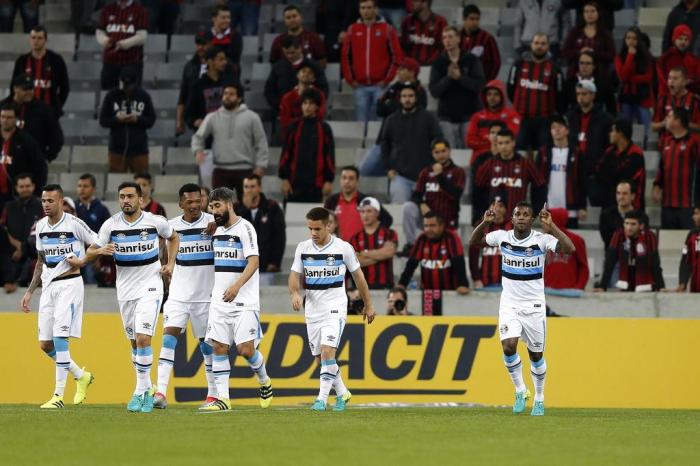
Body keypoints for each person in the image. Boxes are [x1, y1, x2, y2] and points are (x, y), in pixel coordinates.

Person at [78, 181, 179, 413]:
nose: (126, 200)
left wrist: (170, 263)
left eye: (130, 196)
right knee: (134, 343)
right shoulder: (110, 225)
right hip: (124, 291)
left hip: (151, 288)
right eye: (122, 196)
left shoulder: (155, 221)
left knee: (144, 339)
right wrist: (100, 251)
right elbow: (90, 252)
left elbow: (173, 238)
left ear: (140, 200)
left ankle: (139, 391)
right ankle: (146, 388)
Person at [469, 201, 575, 416]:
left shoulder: (541, 240)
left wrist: (551, 226)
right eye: (518, 214)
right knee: (508, 347)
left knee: (535, 356)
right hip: (509, 305)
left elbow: (569, 249)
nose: (521, 217)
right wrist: (485, 222)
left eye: (526, 214)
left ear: (532, 218)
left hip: (534, 307)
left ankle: (539, 398)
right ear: (512, 217)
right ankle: (520, 390)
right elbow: (474, 242)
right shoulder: (502, 237)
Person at [288, 207, 376, 411]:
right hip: (312, 310)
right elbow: (294, 275)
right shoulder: (303, 248)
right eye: (310, 228)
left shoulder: (343, 248)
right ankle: (343, 393)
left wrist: (368, 304)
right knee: (321, 359)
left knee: (328, 352)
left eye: (317, 228)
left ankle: (321, 399)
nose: (313, 233)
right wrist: (294, 293)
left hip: (335, 308)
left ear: (329, 225)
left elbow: (359, 277)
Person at [195, 187, 273, 411]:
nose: (214, 211)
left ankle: (264, 380)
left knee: (245, 350)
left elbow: (254, 261)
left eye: (217, 206)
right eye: (211, 207)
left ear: (229, 204)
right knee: (219, 347)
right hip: (219, 301)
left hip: (244, 301)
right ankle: (223, 400)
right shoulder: (216, 230)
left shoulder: (245, 228)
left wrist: (237, 286)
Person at [19, 184, 96, 409]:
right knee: (45, 344)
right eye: (43, 201)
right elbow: (41, 261)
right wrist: (30, 291)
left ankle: (58, 396)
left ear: (61, 202)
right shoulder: (41, 226)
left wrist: (82, 261)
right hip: (48, 288)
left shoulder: (74, 224)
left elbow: (97, 244)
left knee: (61, 338)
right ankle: (81, 375)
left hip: (70, 285)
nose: (46, 204)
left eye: (50, 201)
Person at [153, 184, 216, 409]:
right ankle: (160, 392)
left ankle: (213, 394)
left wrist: (220, 224)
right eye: (189, 202)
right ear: (180, 204)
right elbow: (162, 255)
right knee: (168, 339)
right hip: (179, 295)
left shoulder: (213, 223)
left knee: (207, 346)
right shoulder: (172, 228)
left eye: (198, 201)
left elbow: (234, 227)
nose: (194, 206)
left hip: (205, 297)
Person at [192, 82, 269, 201]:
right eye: (225, 93)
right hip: (220, 170)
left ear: (239, 98)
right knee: (220, 209)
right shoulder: (213, 117)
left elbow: (261, 142)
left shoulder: (252, 117)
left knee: (247, 207)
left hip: (245, 170)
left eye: (231, 94)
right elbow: (198, 137)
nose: (227, 96)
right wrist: (198, 151)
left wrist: (261, 165)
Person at [341, 0, 403, 123]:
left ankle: (379, 143)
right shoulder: (352, 29)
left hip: (381, 85)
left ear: (376, 9)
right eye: (363, 8)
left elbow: (397, 57)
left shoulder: (387, 29)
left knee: (380, 122)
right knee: (360, 122)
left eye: (369, 7)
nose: (366, 11)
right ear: (359, 10)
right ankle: (362, 143)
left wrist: (387, 79)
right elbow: (345, 56)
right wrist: (350, 79)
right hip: (359, 85)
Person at [381, 83, 442, 204]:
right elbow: (384, 145)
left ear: (416, 98)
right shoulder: (391, 120)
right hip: (399, 177)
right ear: (400, 98)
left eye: (410, 96)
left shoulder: (428, 118)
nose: (407, 99)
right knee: (399, 216)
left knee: (428, 217)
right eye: (404, 96)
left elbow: (438, 141)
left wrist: (436, 163)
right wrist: (387, 168)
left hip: (426, 176)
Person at [428, 25, 485, 149]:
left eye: (450, 37)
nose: (447, 40)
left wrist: (460, 78)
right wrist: (448, 78)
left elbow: (479, 85)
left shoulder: (471, 60)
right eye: (444, 38)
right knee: (451, 154)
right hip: (446, 117)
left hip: (469, 115)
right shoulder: (438, 63)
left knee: (469, 153)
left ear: (458, 39)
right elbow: (434, 91)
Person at [403, 138, 466, 248]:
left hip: (447, 219)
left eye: (443, 151)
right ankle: (411, 245)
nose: (441, 155)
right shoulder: (426, 172)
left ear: (449, 151)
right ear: (432, 154)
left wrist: (440, 176)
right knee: (408, 207)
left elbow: (456, 195)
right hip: (428, 218)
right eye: (437, 152)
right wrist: (421, 204)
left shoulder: (458, 171)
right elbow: (416, 195)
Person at [508, 34, 565, 153]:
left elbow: (560, 95)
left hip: (544, 121)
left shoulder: (555, 69)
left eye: (543, 44)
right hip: (522, 119)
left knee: (543, 154)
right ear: (531, 45)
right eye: (537, 43)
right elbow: (510, 90)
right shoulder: (518, 65)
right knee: (519, 153)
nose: (539, 46)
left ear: (548, 46)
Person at [475, 128, 546, 220]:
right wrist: (482, 211)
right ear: (496, 144)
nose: (504, 146)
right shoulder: (489, 164)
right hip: (494, 220)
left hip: (518, 220)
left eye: (507, 142)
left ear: (513, 143)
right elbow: (478, 188)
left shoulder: (525, 164)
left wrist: (535, 210)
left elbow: (540, 186)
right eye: (500, 143)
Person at [279, 89, 335, 204]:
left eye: (311, 103)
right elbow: (285, 154)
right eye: (305, 103)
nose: (307, 107)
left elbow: (329, 156)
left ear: (317, 107)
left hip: (316, 185)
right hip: (293, 184)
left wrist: (329, 181)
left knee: (314, 220)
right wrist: (284, 179)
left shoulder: (324, 128)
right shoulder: (293, 127)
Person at [98, 67, 156, 174]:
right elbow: (103, 120)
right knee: (116, 183)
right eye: (124, 85)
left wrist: (137, 119)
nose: (127, 88)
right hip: (117, 149)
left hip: (139, 149)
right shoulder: (111, 96)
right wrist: (117, 120)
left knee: (141, 181)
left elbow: (151, 120)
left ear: (136, 82)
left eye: (130, 86)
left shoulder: (144, 96)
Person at [534, 115, 587, 228]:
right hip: (548, 208)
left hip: (571, 209)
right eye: (553, 127)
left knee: (570, 243)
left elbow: (582, 182)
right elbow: (537, 182)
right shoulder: (543, 153)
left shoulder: (577, 153)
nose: (556, 129)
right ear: (550, 131)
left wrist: (583, 206)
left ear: (567, 130)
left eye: (560, 126)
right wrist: (537, 207)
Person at [398, 211, 470, 294]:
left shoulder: (451, 238)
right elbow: (411, 263)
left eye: (432, 225)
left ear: (441, 226)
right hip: (427, 293)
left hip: (450, 293)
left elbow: (459, 263)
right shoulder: (422, 239)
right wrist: (402, 284)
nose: (428, 229)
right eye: (426, 226)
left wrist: (462, 284)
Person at [652, 107, 700, 229]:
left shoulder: (695, 142)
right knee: (669, 242)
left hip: (689, 204)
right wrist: (657, 185)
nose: (666, 120)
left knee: (692, 241)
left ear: (678, 121)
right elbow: (662, 168)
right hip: (667, 205)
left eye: (669, 117)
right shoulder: (666, 142)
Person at [234, 175, 286, 283]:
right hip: (240, 266)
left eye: (252, 186)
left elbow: (279, 237)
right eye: (246, 187)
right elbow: (233, 231)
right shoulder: (236, 208)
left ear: (259, 188)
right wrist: (245, 209)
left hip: (265, 265)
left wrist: (274, 262)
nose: (249, 190)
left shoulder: (272, 207)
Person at [597, 210, 665, 292]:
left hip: (646, 282)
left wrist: (661, 287)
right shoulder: (618, 235)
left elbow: (655, 264)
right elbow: (610, 262)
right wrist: (602, 286)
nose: (629, 227)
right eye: (626, 223)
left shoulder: (650, 237)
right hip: (626, 279)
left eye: (633, 224)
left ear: (641, 226)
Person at [12, 25, 70, 117]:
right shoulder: (22, 61)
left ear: (45, 40)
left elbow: (65, 88)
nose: (36, 41)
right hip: (26, 112)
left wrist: (56, 109)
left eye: (39, 38)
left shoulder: (56, 60)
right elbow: (14, 87)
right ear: (29, 40)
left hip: (48, 112)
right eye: (33, 38)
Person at [3, 73, 64, 162]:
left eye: (31, 88)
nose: (29, 92)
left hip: (33, 161)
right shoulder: (3, 107)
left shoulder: (43, 109)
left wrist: (47, 156)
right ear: (15, 88)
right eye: (25, 89)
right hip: (7, 160)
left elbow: (57, 137)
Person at [324, 166, 393, 242]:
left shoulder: (366, 200)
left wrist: (374, 235)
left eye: (351, 178)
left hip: (360, 249)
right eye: (344, 178)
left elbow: (387, 219)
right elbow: (323, 224)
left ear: (357, 181)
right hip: (338, 248)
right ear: (340, 180)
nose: (347, 181)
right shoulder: (331, 201)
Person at [265, 36, 328, 116]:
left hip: (309, 113)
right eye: (286, 53)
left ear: (300, 48)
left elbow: (323, 89)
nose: (289, 56)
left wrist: (314, 105)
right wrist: (279, 105)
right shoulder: (278, 67)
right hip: (284, 111)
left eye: (292, 52)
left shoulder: (313, 66)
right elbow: (269, 89)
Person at [566, 80, 614, 183]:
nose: (580, 97)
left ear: (593, 95)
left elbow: (609, 146)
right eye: (578, 94)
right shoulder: (570, 117)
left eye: (584, 94)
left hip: (596, 173)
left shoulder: (605, 119)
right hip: (573, 171)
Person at [0, 174, 42, 291]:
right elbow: (3, 229)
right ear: (17, 188)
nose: (25, 189)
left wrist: (23, 248)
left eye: (28, 186)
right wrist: (18, 247)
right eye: (22, 186)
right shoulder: (9, 207)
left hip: (34, 254)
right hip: (12, 255)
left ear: (33, 186)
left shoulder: (42, 206)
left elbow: (45, 230)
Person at [95, 0, 148, 90]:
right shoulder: (107, 10)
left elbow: (142, 37)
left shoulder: (140, 11)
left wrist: (124, 44)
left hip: (131, 62)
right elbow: (99, 32)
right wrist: (105, 41)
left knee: (130, 96)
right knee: (109, 95)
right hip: (110, 62)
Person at [594, 118, 645, 210]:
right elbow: (599, 171)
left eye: (613, 131)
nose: (610, 134)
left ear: (620, 133)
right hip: (609, 205)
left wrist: (611, 173)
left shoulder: (636, 154)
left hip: (631, 208)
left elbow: (625, 179)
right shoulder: (609, 152)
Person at [615, 27, 654, 145]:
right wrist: (630, 56)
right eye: (628, 38)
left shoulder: (647, 56)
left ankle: (647, 147)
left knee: (647, 127)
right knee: (625, 128)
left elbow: (648, 77)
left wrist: (631, 79)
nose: (631, 41)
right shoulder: (619, 57)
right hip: (626, 96)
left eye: (634, 38)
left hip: (643, 96)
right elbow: (623, 76)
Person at [349, 197, 398, 290]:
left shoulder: (390, 233)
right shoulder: (355, 238)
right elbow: (356, 262)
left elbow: (388, 253)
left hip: (385, 287)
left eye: (369, 211)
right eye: (362, 212)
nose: (365, 215)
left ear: (377, 213)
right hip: (362, 289)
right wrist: (380, 255)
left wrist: (365, 253)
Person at [0, 102, 47, 194]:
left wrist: (35, 191)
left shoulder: (27, 141)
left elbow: (40, 167)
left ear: (16, 119)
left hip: (18, 195)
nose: (5, 120)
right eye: (2, 116)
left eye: (9, 117)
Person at [465, 79, 521, 155]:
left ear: (502, 96)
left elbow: (509, 140)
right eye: (489, 94)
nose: (492, 97)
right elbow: (469, 142)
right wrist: (494, 143)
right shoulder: (476, 117)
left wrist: (482, 142)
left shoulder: (512, 115)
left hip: (502, 159)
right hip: (479, 159)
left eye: (496, 94)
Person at [561, 1, 616, 77]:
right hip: (576, 74)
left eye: (592, 11)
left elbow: (612, 55)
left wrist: (594, 53)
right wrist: (579, 52)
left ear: (598, 13)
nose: (589, 14)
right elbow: (565, 52)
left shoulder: (605, 34)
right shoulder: (575, 32)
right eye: (586, 11)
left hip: (600, 74)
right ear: (583, 14)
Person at [543, 207, 589, 296]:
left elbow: (583, 267)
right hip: (546, 292)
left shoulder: (577, 240)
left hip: (570, 293)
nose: (542, 223)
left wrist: (578, 288)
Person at [468, 193, 509, 290]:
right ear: (489, 207)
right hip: (485, 283)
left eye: (501, 206)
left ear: (506, 209)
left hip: (510, 284)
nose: (497, 209)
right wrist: (476, 279)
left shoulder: (512, 227)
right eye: (494, 205)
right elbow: (473, 255)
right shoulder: (481, 226)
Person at [471, 121, 506, 226]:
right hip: (484, 210)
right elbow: (476, 188)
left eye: (498, 132)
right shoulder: (479, 160)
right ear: (489, 136)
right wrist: (479, 214)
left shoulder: (512, 161)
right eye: (492, 132)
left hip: (507, 214)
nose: (495, 136)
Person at [279, 62, 328, 135]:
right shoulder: (287, 97)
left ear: (314, 78)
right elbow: (285, 120)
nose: (306, 74)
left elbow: (320, 115)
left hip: (313, 133)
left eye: (310, 72)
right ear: (297, 75)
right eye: (303, 71)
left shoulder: (319, 95)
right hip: (293, 134)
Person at [176, 32, 210, 136]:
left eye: (204, 44)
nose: (200, 47)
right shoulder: (189, 67)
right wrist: (179, 121)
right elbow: (183, 95)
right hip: (196, 118)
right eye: (198, 44)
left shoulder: (218, 64)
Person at [651, 67, 700, 139]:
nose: (671, 81)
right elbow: (653, 127)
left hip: (688, 146)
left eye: (675, 78)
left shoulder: (695, 101)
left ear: (684, 82)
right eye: (669, 78)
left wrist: (683, 123)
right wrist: (664, 123)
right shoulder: (662, 100)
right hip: (666, 146)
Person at [461, 4, 501, 82]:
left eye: (477, 19)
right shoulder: (456, 37)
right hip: (460, 84)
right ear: (464, 19)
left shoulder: (487, 39)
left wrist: (486, 82)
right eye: (472, 19)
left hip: (479, 85)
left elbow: (496, 63)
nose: (475, 22)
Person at [657, 25, 700, 97]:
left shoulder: (694, 60)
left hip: (689, 101)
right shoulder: (664, 59)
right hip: (668, 100)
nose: (683, 42)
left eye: (686, 39)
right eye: (680, 39)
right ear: (674, 39)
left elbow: (698, 80)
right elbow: (664, 83)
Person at [400, 0, 446, 66]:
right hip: (411, 68)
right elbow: (403, 45)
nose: (412, 3)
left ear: (425, 3)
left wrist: (432, 62)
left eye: (415, 1)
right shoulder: (407, 21)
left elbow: (442, 47)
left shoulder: (440, 22)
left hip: (432, 66)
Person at [205, 4, 242, 80]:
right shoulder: (206, 35)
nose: (227, 20)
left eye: (228, 17)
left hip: (229, 75)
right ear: (214, 19)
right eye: (223, 18)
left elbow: (234, 57)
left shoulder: (235, 36)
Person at [599, 180, 637, 249]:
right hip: (612, 257)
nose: (621, 197)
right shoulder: (605, 215)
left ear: (633, 196)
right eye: (618, 193)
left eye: (625, 193)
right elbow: (608, 240)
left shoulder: (640, 216)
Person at [678, 205, 700, 292]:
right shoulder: (691, 235)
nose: (693, 216)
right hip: (695, 288)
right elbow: (685, 259)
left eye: (696, 213)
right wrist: (683, 282)